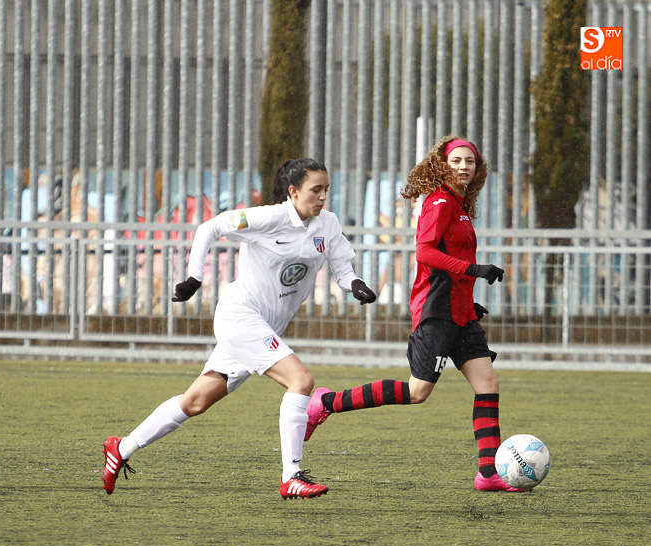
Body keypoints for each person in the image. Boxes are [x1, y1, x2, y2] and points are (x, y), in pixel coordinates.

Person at [101, 158, 378, 499]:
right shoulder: (268, 217)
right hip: (240, 316)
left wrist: (356, 285)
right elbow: (210, 227)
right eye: (315, 190)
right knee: (301, 380)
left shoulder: (328, 224)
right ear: (293, 192)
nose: (323, 197)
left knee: (195, 402)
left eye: (326, 190)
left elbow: (343, 268)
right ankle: (291, 476)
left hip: (266, 326)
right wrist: (194, 279)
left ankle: (121, 448)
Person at [304, 135, 522, 492]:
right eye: (456, 161)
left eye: (470, 161)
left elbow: (453, 259)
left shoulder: (460, 203)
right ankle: (326, 402)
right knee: (417, 391)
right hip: (437, 310)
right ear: (442, 165)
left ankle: (488, 473)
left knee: (487, 384)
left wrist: (468, 300)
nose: (464, 166)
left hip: (460, 312)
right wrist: (475, 271)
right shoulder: (440, 201)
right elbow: (425, 253)